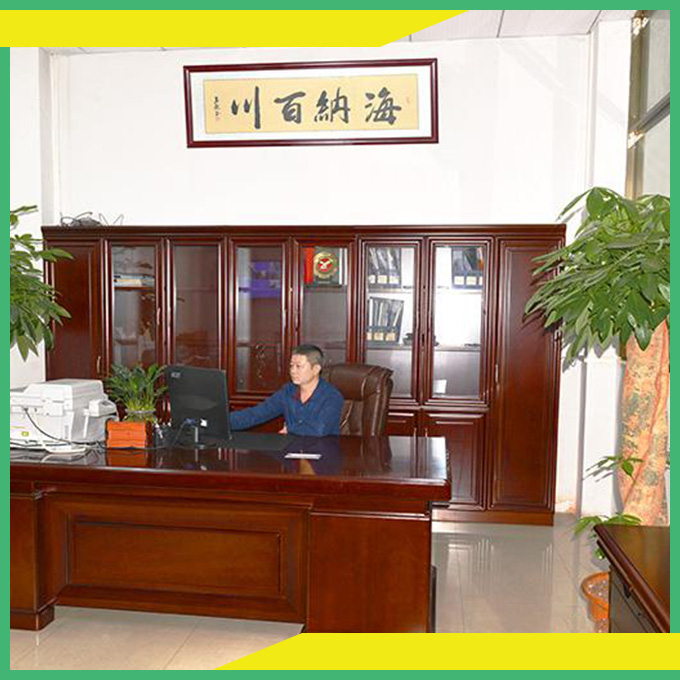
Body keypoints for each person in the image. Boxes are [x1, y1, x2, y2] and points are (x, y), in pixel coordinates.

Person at [229, 344, 344, 437]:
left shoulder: (332, 396)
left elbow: (320, 429)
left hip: (322, 453)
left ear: (316, 369)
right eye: (291, 366)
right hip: (292, 451)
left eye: (298, 366)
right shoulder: (288, 391)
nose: (293, 371)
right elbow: (256, 414)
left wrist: (290, 429)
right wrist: (222, 422)